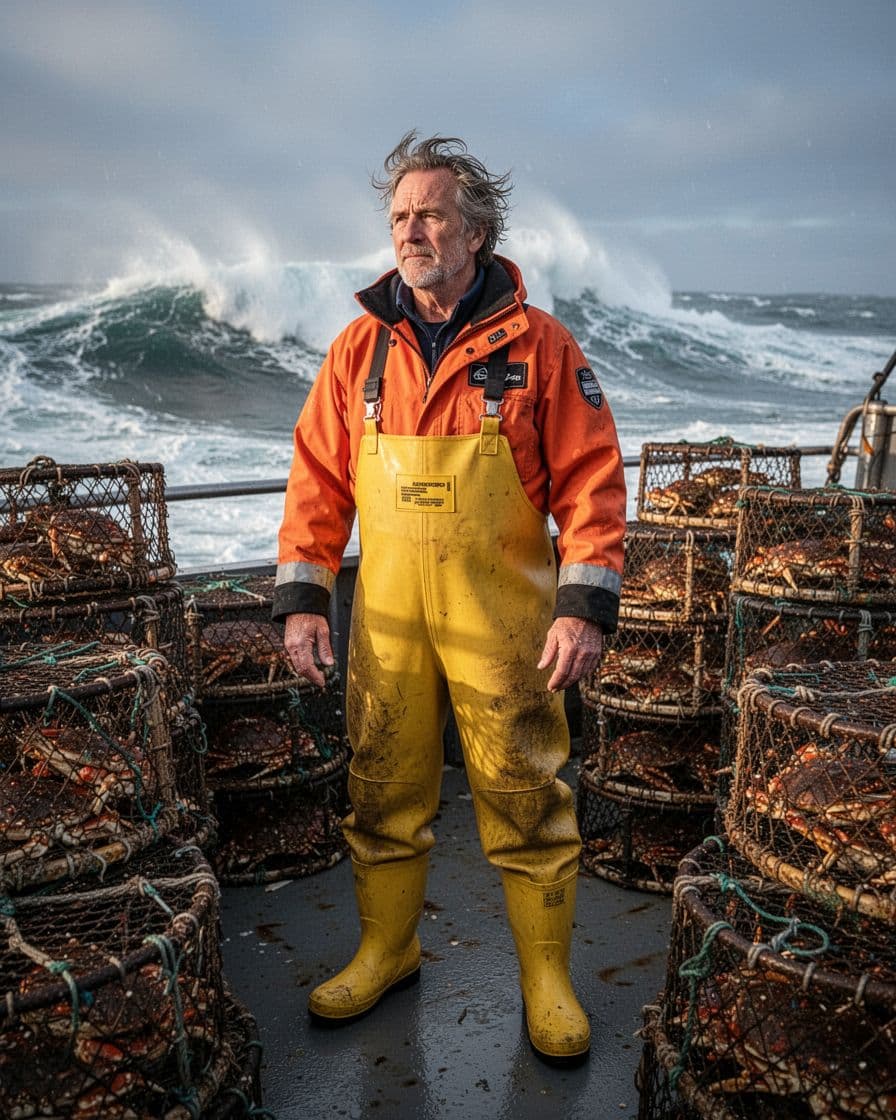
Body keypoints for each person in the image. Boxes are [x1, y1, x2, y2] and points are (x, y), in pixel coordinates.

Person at [273, 132, 626, 1061]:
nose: (411, 230)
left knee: (526, 793)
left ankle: (546, 979)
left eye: (430, 213)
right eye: (399, 216)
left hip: (504, 619)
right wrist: (306, 596)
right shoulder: (359, 349)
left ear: (476, 231)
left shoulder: (542, 348)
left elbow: (594, 482)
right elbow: (316, 478)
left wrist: (583, 607)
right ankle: (387, 950)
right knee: (381, 786)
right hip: (387, 619)